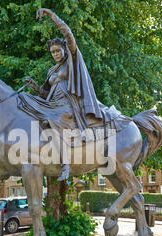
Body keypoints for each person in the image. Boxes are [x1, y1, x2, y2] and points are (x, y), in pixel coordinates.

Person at [22, 8, 110, 181]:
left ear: (64, 49)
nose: (55, 54)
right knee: (27, 106)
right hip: (51, 104)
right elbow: (45, 93)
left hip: (68, 104)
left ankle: (66, 164)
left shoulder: (72, 59)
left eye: (57, 50)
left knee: (53, 119)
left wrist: (51, 15)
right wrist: (33, 86)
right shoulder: (51, 70)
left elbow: (68, 33)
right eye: (52, 52)